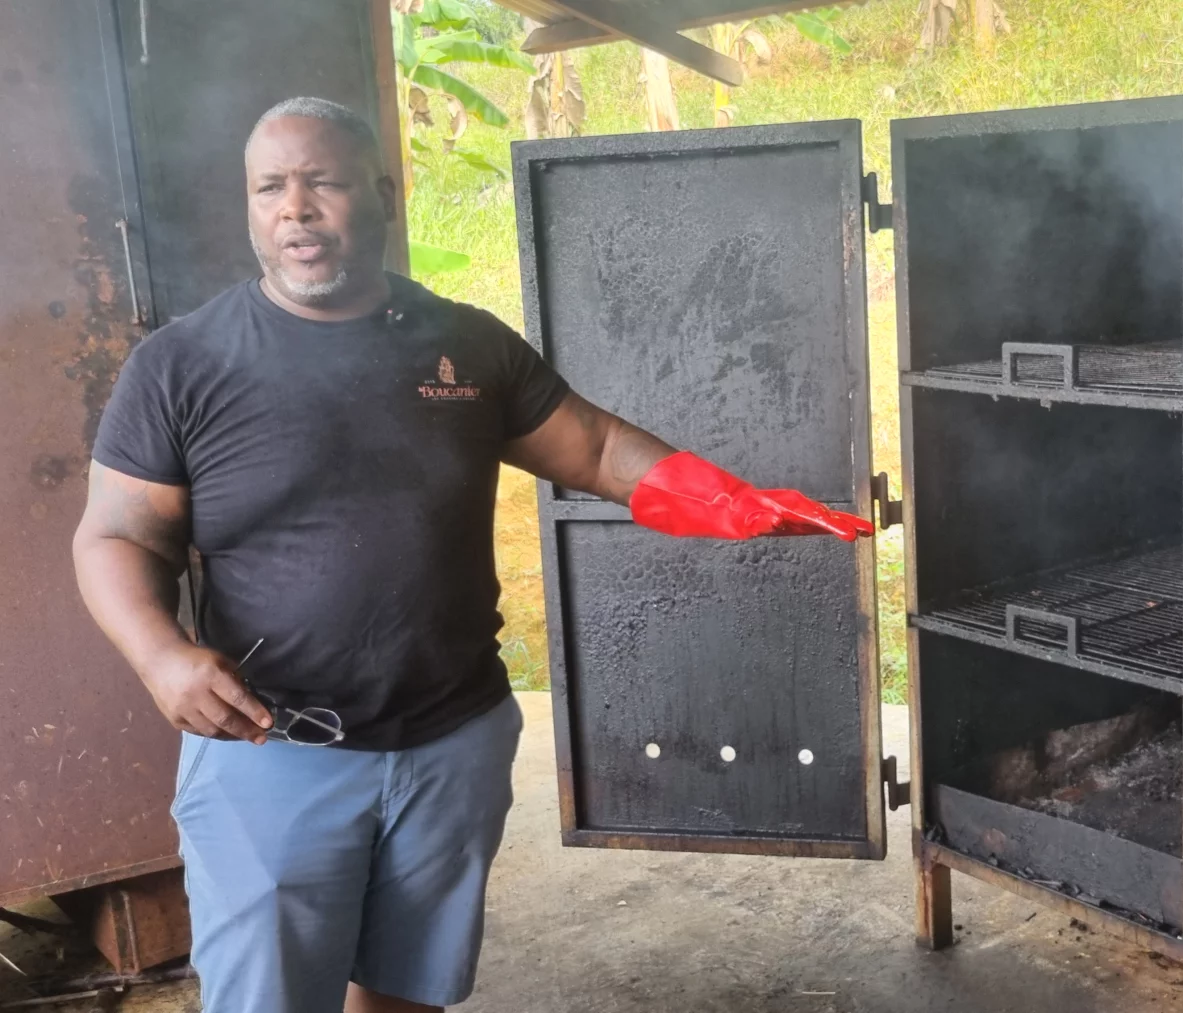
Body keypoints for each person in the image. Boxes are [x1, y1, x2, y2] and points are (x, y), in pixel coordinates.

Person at [70, 96, 871, 1013]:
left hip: (451, 744)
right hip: (274, 749)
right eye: (270, 188)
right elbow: (119, 536)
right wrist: (159, 654)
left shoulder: (463, 343)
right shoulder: (183, 365)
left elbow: (597, 449)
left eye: (321, 182)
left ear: (382, 195)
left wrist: (727, 503)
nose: (294, 208)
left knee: (409, 990)